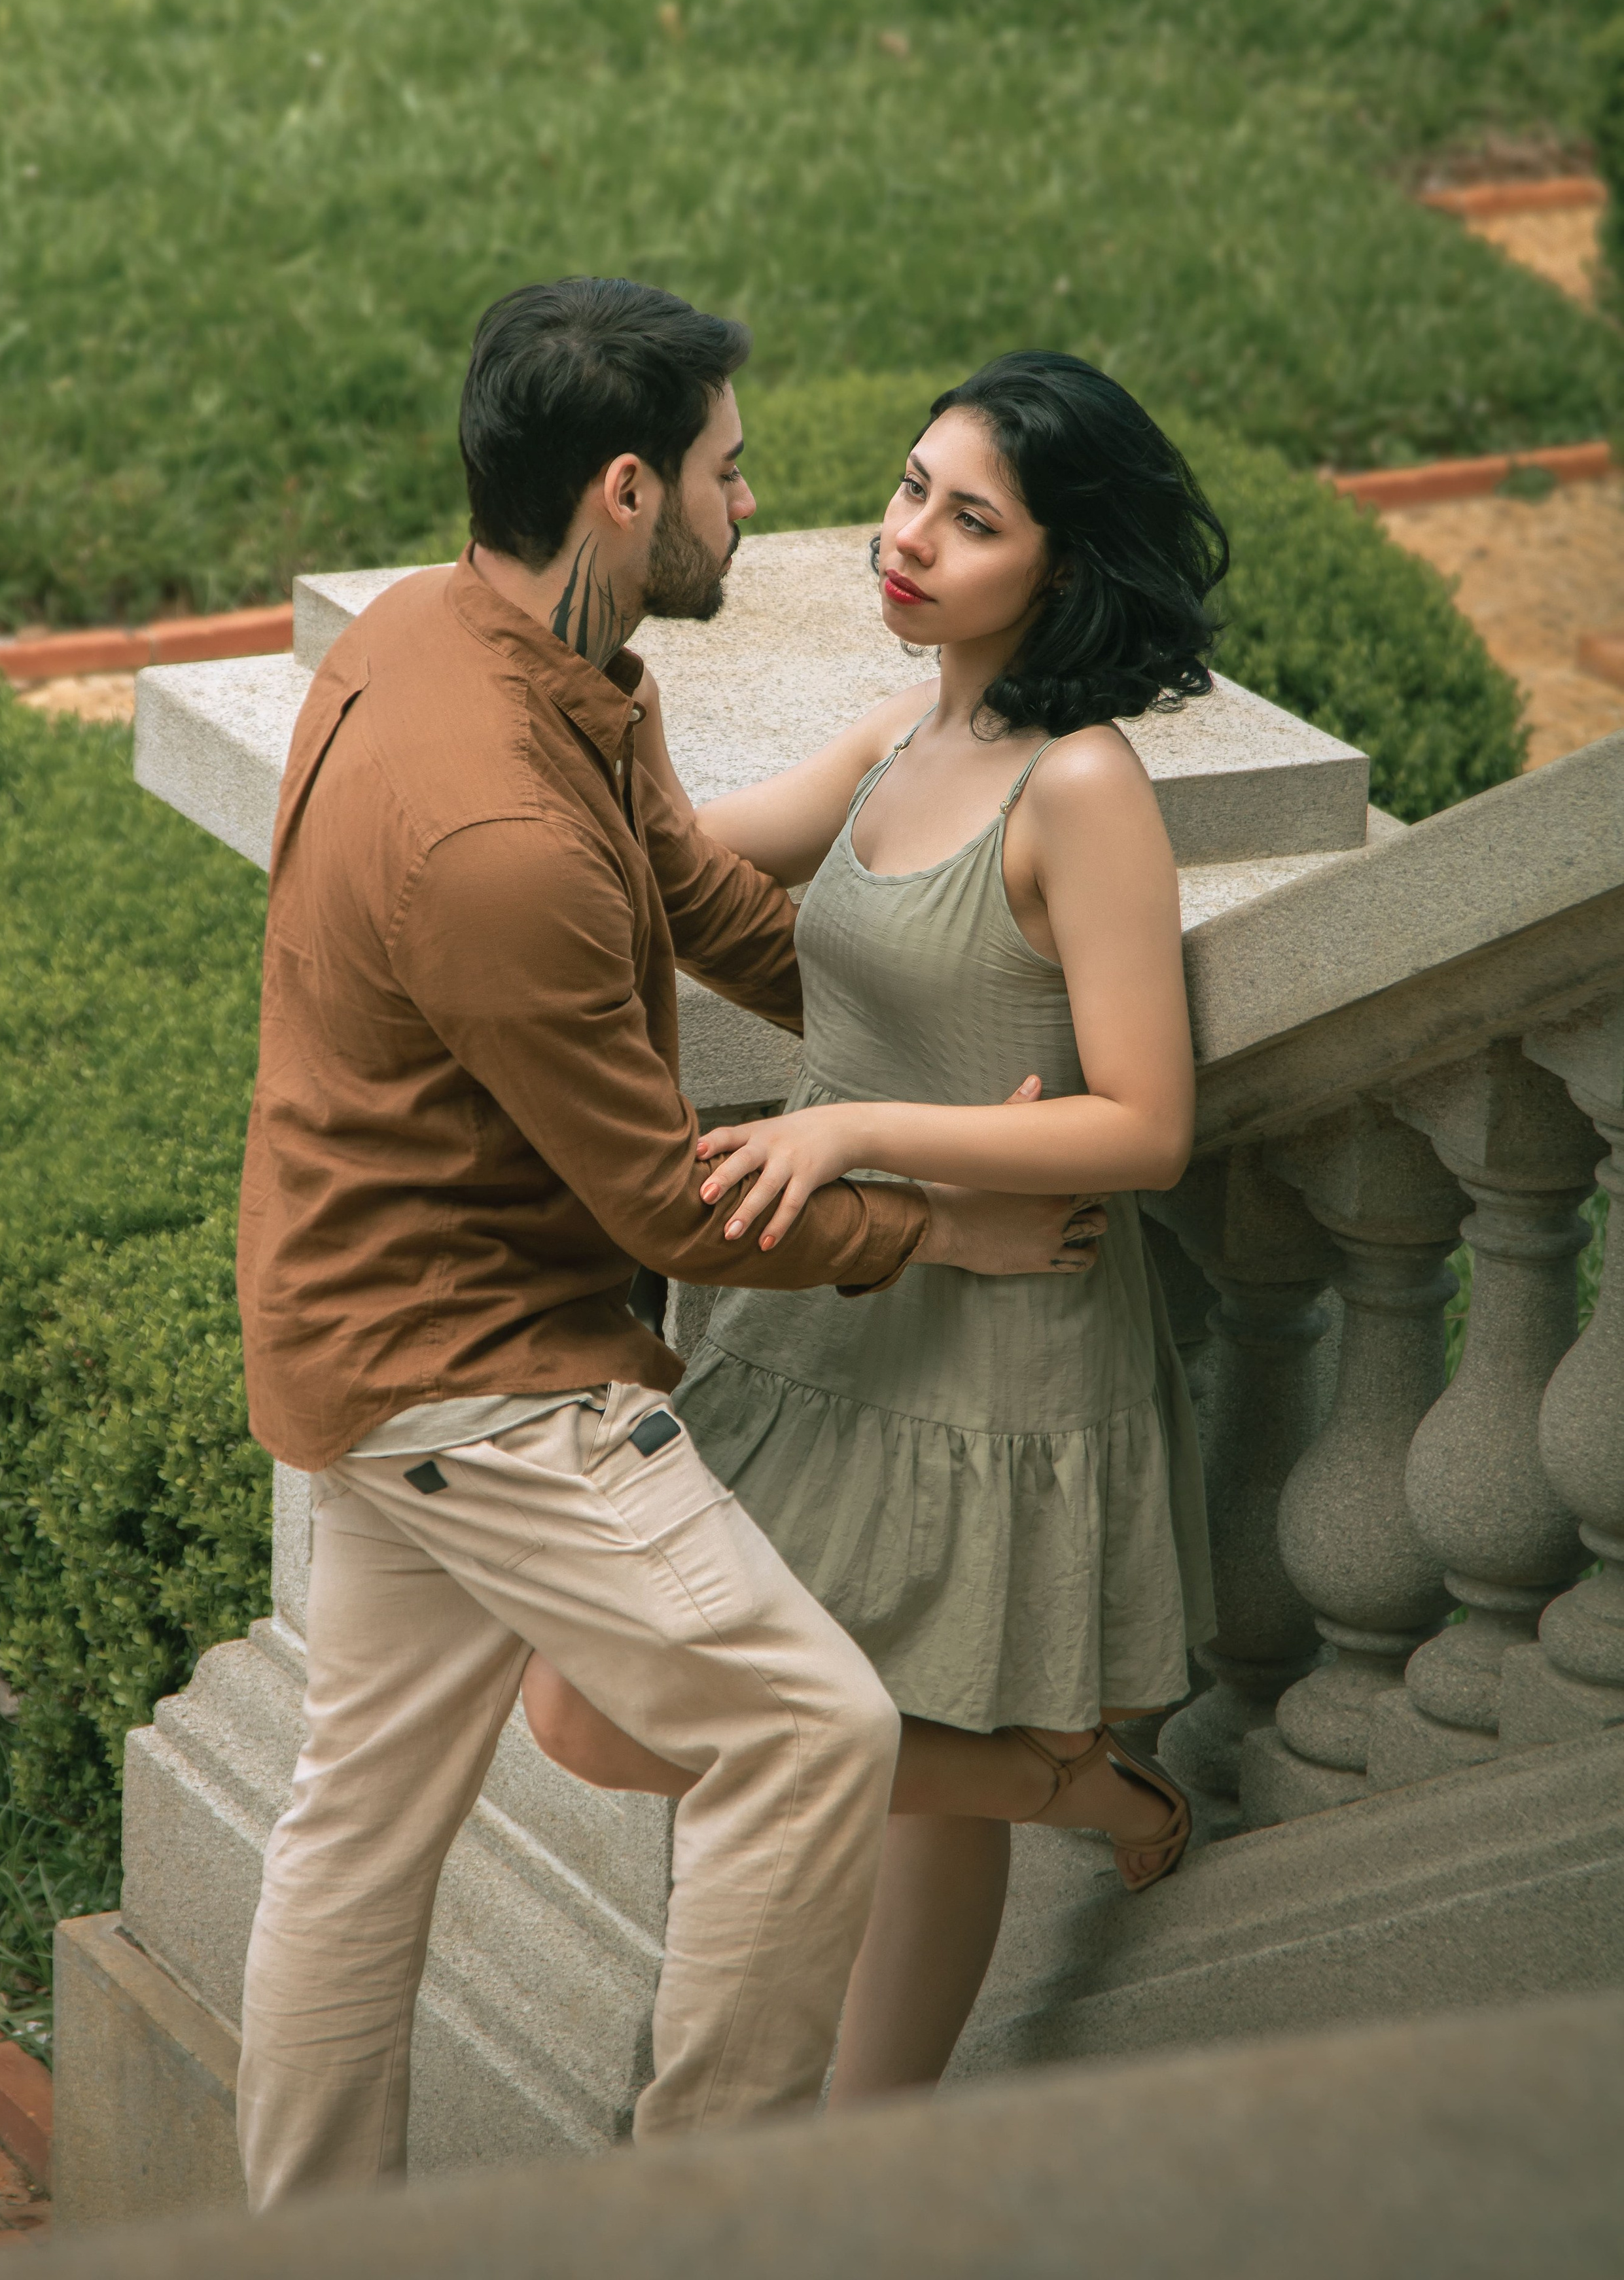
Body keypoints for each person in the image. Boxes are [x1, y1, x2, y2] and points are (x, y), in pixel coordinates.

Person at [232, 281, 1099, 2209]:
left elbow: (693, 892)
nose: (752, 501)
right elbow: (664, 1201)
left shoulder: (473, 639)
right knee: (811, 1731)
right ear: (626, 492)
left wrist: (923, 1035)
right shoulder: (495, 837)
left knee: (354, 1834)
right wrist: (941, 1221)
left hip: (359, 1317)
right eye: (727, 470)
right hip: (473, 1373)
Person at [521, 349, 1225, 2101]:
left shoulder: (1082, 788)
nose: (908, 537)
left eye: (972, 521)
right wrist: (574, 683)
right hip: (828, 1314)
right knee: (594, 1704)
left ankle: (870, 2153)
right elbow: (668, 864)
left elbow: (1147, 1125)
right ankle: (1070, 1786)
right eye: (914, 489)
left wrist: (844, 1130)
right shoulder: (898, 734)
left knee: (918, 1759)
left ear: (1064, 567)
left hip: (1001, 1333)